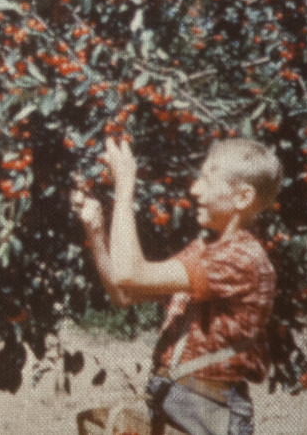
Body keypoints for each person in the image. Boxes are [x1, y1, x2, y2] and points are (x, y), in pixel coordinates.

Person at [75, 136, 282, 435]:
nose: (195, 190)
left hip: (207, 413)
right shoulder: (205, 250)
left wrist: (124, 189)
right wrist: (95, 231)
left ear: (242, 198)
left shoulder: (241, 258)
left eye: (207, 181)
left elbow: (129, 274)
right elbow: (125, 293)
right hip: (175, 401)